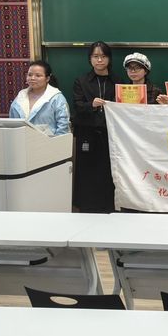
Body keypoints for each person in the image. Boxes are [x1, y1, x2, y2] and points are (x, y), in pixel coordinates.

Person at [72, 41, 120, 213]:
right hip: (87, 134)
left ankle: (109, 207)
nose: (99, 60)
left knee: (109, 172)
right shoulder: (81, 81)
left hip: (111, 135)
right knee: (87, 172)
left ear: (109, 58)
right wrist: (91, 105)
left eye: (103, 56)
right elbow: (77, 105)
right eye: (95, 56)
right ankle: (86, 207)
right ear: (90, 59)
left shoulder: (118, 81)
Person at [8, 60, 70, 136]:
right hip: (22, 140)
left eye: (38, 75)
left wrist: (54, 142)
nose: (32, 78)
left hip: (49, 142)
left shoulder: (56, 98)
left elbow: (63, 126)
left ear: (47, 78)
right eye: (30, 75)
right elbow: (12, 122)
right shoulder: (21, 95)